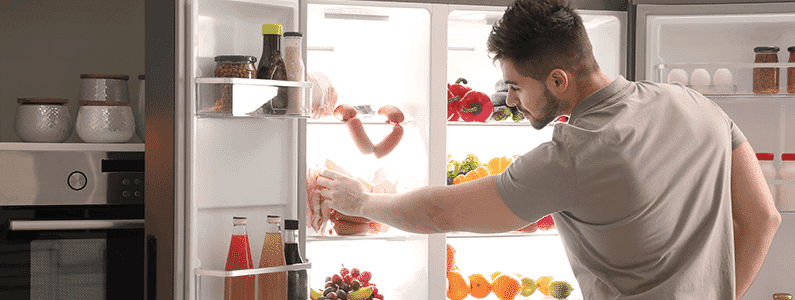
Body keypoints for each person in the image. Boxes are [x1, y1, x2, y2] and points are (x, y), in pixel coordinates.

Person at [316, 0, 781, 298]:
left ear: (558, 79)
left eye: (516, 87)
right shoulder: (696, 104)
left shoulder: (577, 154)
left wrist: (363, 201)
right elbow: (764, 218)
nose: (512, 101)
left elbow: (443, 214)